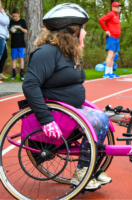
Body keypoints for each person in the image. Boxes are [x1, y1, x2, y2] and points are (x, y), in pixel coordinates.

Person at [22, 3, 111, 190]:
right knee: (97, 120)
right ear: (72, 32)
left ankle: (90, 167)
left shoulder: (70, 53)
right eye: (83, 29)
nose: (85, 34)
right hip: (55, 113)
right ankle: (82, 173)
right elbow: (30, 84)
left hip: (70, 111)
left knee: (102, 118)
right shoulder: (47, 52)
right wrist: (46, 120)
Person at [99, 2, 122, 79]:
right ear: (113, 7)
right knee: (110, 55)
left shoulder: (117, 15)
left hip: (116, 38)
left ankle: (111, 72)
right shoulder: (111, 14)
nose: (118, 8)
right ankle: (106, 73)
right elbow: (101, 20)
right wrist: (106, 30)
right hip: (111, 37)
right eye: (117, 6)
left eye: (119, 6)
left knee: (113, 56)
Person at [9, 8, 27, 81]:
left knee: (21, 58)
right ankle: (14, 74)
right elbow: (9, 31)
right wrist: (11, 31)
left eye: (16, 16)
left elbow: (26, 31)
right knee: (14, 59)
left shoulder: (22, 21)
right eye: (13, 16)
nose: (14, 18)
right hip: (13, 43)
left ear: (19, 14)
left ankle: (21, 74)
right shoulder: (11, 22)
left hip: (21, 43)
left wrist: (19, 27)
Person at [0, 1, 9, 84]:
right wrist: (4, 14)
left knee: (3, 56)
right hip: (0, 37)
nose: (0, 5)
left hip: (3, 37)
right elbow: (6, 22)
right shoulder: (1, 14)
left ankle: (0, 73)